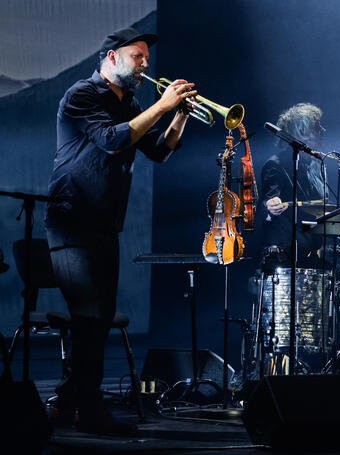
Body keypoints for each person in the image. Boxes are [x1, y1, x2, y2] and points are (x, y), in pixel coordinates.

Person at [45, 27, 196, 434]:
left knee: (98, 317)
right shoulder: (82, 95)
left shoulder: (129, 101)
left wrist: (179, 114)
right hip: (71, 218)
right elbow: (113, 140)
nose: (145, 64)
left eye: (146, 57)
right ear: (112, 57)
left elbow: (159, 152)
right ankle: (90, 412)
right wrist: (163, 106)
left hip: (104, 222)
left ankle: (67, 401)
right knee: (90, 318)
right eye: (138, 56)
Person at [260, 102, 329, 269]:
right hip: (287, 257)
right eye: (316, 126)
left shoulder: (317, 165)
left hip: (312, 250)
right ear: (301, 133)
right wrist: (270, 205)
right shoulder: (276, 165)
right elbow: (268, 202)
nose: (323, 130)